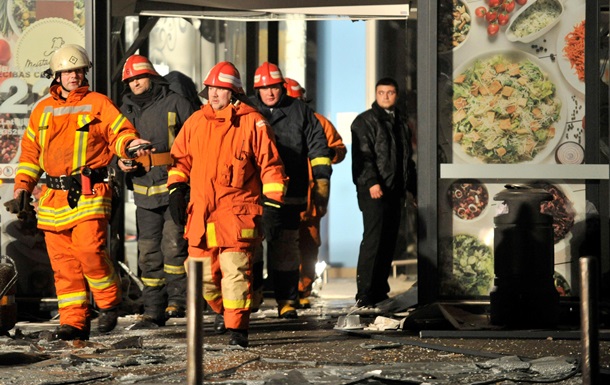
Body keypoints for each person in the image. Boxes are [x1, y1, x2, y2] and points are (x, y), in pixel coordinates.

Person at [8, 44, 152, 341]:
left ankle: (109, 302)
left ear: (84, 73)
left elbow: (120, 132)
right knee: (64, 265)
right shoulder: (41, 110)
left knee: (89, 251)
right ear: (56, 75)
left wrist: (130, 146)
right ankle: (74, 322)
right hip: (52, 198)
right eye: (67, 71)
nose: (73, 76)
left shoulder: (98, 103)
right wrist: (23, 188)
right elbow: (30, 155)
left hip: (89, 192)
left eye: (78, 70)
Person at [167, 61, 287, 348]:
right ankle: (227, 311)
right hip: (201, 214)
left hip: (237, 214)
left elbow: (271, 166)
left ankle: (237, 329)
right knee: (202, 277)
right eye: (210, 89)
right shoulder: (196, 122)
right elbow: (180, 160)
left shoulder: (253, 122)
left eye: (220, 89)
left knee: (235, 272)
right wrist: (175, 189)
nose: (214, 94)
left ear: (233, 92)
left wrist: (273, 205)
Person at [249, 63, 333, 318]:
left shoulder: (300, 112)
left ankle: (287, 301)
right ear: (257, 90)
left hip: (290, 193)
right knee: (251, 247)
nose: (270, 93)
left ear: (281, 87)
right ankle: (252, 296)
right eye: (264, 88)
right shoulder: (246, 110)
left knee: (285, 248)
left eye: (274, 87)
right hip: (254, 194)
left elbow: (319, 147)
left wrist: (321, 180)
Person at [117, 55, 196, 327]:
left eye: (139, 77)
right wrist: (120, 161)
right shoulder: (125, 110)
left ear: (151, 77)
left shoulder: (177, 103)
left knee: (175, 248)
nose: (135, 83)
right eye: (130, 80)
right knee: (148, 253)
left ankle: (179, 301)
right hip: (143, 192)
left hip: (175, 189)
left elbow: (197, 141)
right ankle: (154, 308)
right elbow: (113, 143)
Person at [350, 77, 417, 308]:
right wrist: (371, 182)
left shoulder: (401, 122)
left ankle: (379, 289)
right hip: (374, 191)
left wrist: (412, 189)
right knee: (373, 240)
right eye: (381, 93)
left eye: (390, 92)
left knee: (388, 241)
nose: (386, 97)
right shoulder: (364, 121)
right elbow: (363, 156)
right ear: (376, 94)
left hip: (394, 190)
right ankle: (365, 292)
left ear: (396, 95)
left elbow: (406, 160)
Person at [283, 78, 347, 309]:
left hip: (311, 198)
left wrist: (326, 152)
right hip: (284, 195)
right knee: (284, 244)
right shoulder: (275, 121)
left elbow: (339, 149)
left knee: (309, 244)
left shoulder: (319, 122)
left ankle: (303, 289)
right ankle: (287, 291)